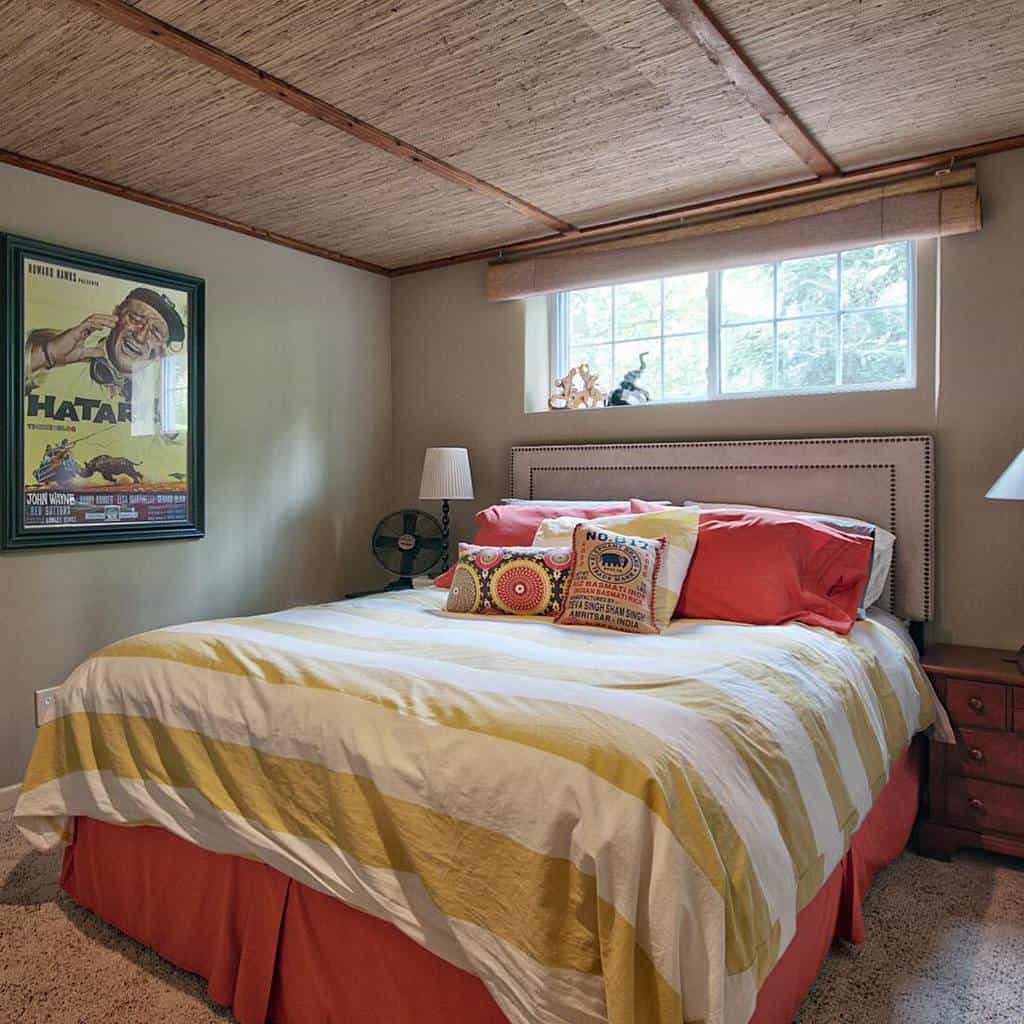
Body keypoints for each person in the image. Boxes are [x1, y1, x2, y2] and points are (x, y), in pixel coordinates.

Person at [25, 287, 185, 401]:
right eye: (135, 319)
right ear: (116, 315)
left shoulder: (165, 398)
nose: (140, 336)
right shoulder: (43, 345)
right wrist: (48, 354)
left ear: (161, 350)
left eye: (155, 332)